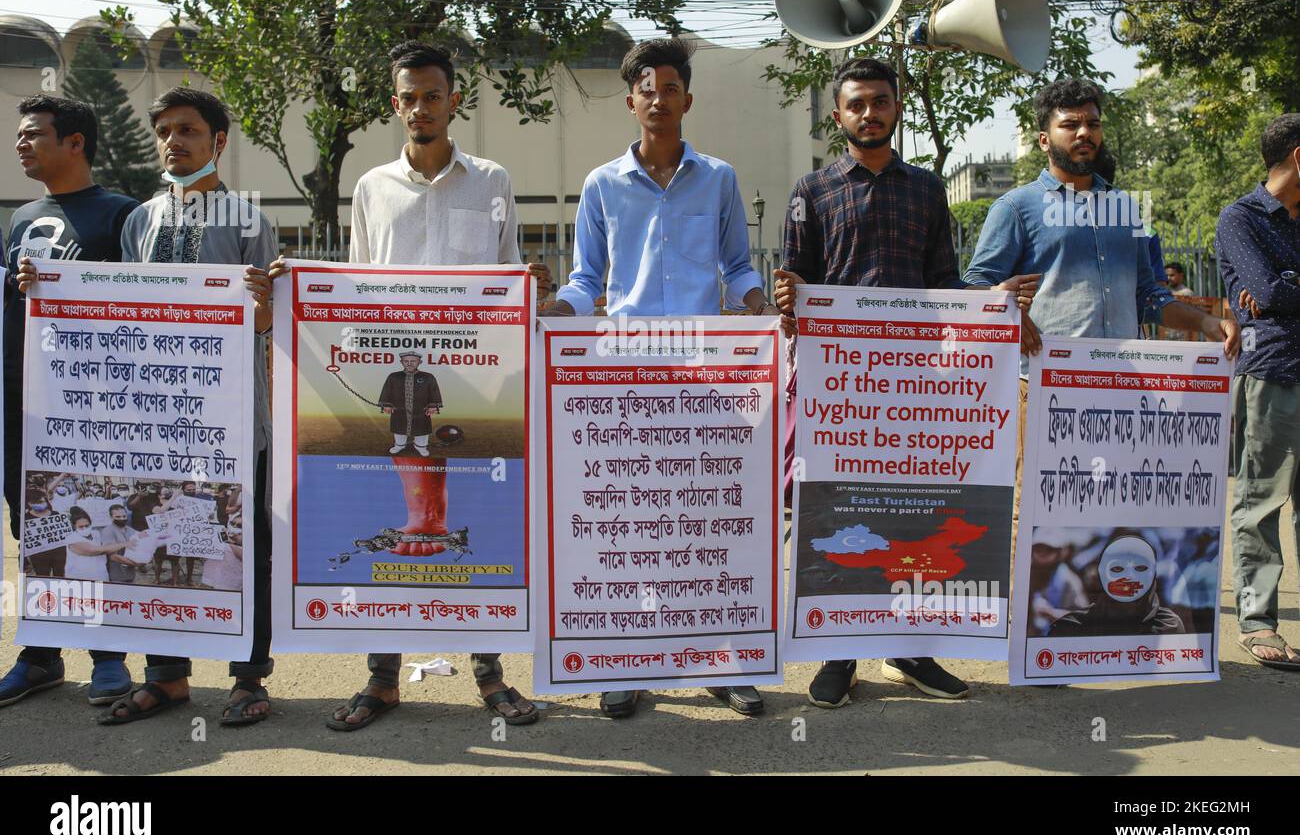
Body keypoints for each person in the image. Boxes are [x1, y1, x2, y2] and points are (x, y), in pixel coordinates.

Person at [280, 40, 551, 731]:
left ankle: (491, 676)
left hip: (477, 387)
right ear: (393, 103)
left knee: (480, 519)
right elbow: (358, 289)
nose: (421, 108)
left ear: (454, 101)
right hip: (398, 386)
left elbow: (508, 279)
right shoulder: (371, 187)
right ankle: (383, 678)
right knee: (397, 513)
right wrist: (298, 292)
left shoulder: (491, 180)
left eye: (434, 95)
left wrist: (530, 294)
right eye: (409, 97)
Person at [773, 57, 1038, 707]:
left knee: (916, 512)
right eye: (856, 103)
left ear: (896, 109)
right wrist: (788, 299)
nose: (870, 112)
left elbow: (944, 284)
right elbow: (795, 288)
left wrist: (992, 301)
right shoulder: (810, 192)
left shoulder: (925, 190)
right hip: (840, 390)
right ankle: (839, 655)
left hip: (915, 386)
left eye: (880, 101)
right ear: (837, 116)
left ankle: (911, 651)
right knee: (842, 514)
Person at [19, 86, 279, 725]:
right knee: (161, 545)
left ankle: (250, 678)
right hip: (159, 422)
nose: (173, 141)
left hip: (234, 419)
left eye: (187, 129)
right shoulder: (140, 220)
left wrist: (266, 310)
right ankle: (167, 677)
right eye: (164, 130)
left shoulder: (249, 218)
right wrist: (43, 287)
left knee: (244, 545)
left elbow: (275, 323)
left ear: (218, 140)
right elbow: (115, 311)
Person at [545, 37, 779, 718]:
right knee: (637, 526)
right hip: (628, 378)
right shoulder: (600, 185)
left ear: (687, 98)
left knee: (707, 522)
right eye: (645, 88)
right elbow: (586, 280)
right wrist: (547, 310)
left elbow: (738, 270)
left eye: (669, 86)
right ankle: (631, 661)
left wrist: (767, 312)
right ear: (631, 102)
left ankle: (723, 661)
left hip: (708, 375)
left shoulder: (721, 178)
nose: (657, 97)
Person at [963, 78, 1238, 583]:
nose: (1083, 132)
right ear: (1045, 138)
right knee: (1041, 496)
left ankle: (1097, 620)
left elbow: (1151, 297)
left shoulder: (1129, 209)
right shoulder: (1016, 208)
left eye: (1091, 123)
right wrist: (1009, 310)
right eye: (1069, 125)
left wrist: (1204, 321)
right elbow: (977, 287)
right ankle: (1031, 619)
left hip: (1123, 385)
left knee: (1115, 496)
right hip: (1042, 384)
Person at [0, 95, 137, 709]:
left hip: (90, 408)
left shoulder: (122, 215)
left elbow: (141, 306)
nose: (21, 144)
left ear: (75, 142)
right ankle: (41, 653)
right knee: (33, 525)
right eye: (20, 136)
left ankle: (108, 654)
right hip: (21, 397)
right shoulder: (21, 216)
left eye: (34, 135)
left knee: (90, 518)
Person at [1215, 112, 1300, 669]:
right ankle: (1259, 621)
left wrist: (1283, 287)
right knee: (1261, 499)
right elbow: (1265, 294)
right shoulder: (1241, 218)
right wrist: (1276, 290)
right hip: (1275, 370)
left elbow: (1274, 292)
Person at [1047, 535, 1182, 637]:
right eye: (1117, 569)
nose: (1129, 577)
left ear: (1153, 574)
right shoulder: (1070, 628)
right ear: (1101, 573)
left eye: (1140, 568)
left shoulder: (1169, 626)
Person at [379, 351, 443, 455]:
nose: (409, 363)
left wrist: (433, 406)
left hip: (421, 410)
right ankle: (399, 445)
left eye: (413, 361)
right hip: (399, 409)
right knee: (399, 428)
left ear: (419, 362)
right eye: (406, 361)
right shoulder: (393, 377)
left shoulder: (428, 377)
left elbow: (434, 392)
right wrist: (386, 405)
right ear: (401, 362)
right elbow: (387, 391)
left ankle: (421, 447)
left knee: (421, 429)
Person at [62, 506, 129, 583]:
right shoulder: (72, 538)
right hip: (79, 578)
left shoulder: (96, 534)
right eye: (81, 527)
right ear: (74, 526)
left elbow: (109, 546)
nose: (84, 528)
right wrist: (125, 544)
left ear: (91, 524)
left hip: (100, 575)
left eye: (87, 525)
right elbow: (94, 550)